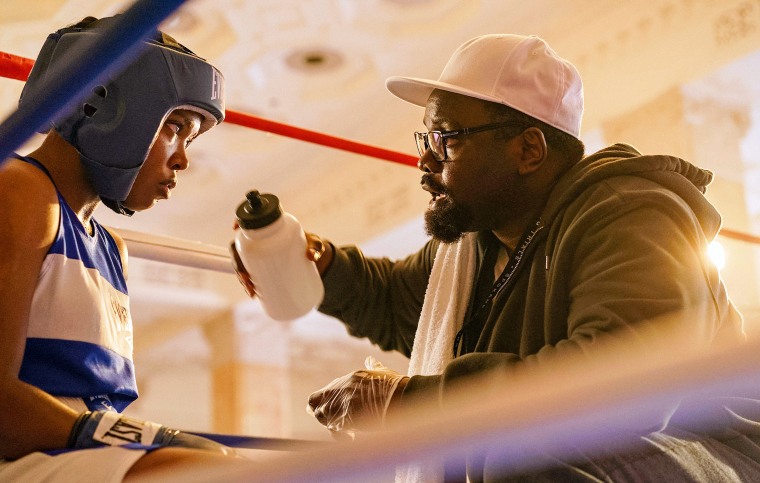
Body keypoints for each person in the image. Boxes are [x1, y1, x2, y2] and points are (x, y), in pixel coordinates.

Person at [234, 34, 760, 481]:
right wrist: (312, 260)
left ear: (528, 149)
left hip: (708, 454)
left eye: (446, 139)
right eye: (427, 137)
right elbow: (395, 304)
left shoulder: (632, 213)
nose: (424, 159)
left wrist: (410, 405)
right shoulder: (476, 246)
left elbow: (626, 382)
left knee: (516, 451)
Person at [0, 15, 247, 482]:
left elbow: (99, 408)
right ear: (104, 105)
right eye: (174, 127)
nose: (183, 159)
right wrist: (140, 439)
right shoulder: (21, 191)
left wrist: (138, 438)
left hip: (81, 459)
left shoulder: (113, 249)